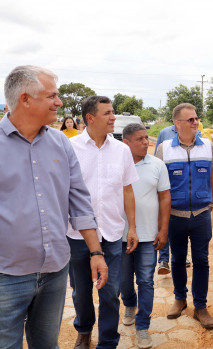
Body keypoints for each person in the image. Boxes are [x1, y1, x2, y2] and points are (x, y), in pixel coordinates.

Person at [0, 65, 108, 348]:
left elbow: (79, 200)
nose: (59, 102)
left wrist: (95, 251)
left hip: (55, 271)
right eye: (52, 96)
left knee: (47, 344)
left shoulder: (61, 142)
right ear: (25, 99)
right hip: (6, 276)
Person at [67, 95, 139, 349]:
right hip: (76, 235)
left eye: (113, 112)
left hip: (110, 233)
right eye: (107, 113)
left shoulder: (121, 151)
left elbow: (127, 190)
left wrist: (132, 226)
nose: (113, 117)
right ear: (90, 118)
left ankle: (108, 341)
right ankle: (84, 331)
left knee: (110, 293)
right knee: (81, 292)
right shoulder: (71, 147)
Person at [155, 103, 213, 329]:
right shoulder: (164, 148)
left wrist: (209, 202)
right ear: (177, 123)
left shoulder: (207, 145)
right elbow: (160, 185)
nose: (195, 123)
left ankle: (200, 306)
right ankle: (180, 299)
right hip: (175, 216)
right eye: (190, 120)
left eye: (196, 119)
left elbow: (211, 176)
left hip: (201, 215)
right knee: (178, 259)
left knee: (202, 261)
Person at [120, 123, 171, 348]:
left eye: (146, 138)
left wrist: (163, 230)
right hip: (119, 236)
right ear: (126, 143)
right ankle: (129, 304)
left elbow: (164, 198)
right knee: (123, 281)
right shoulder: (117, 165)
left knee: (146, 281)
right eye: (139, 139)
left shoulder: (157, 165)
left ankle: (143, 326)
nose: (145, 142)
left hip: (148, 236)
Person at [154, 123, 195, 274]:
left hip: (185, 190)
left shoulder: (195, 133)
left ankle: (182, 257)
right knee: (166, 224)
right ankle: (164, 260)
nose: (192, 122)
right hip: (167, 187)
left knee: (183, 227)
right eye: (188, 119)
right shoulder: (164, 133)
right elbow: (157, 160)